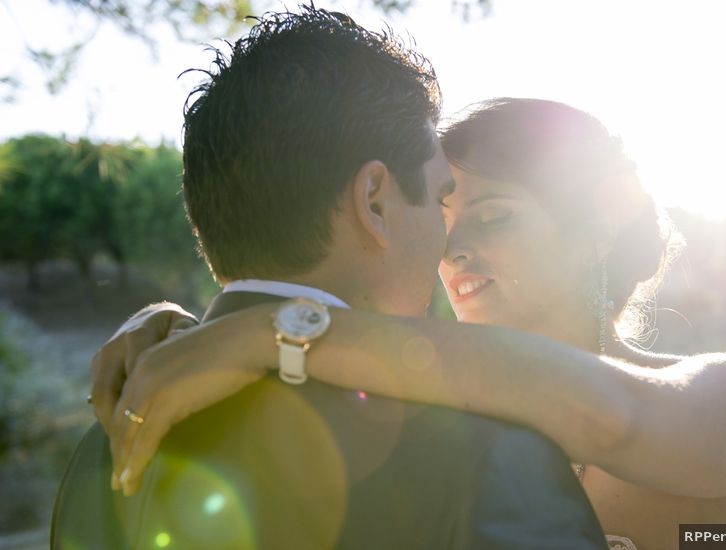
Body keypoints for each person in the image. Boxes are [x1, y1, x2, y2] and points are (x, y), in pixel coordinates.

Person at [90, 98, 726, 550]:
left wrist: (269, 326)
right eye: (444, 218)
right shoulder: (438, 412)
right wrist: (186, 326)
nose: (452, 252)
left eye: (494, 215)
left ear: (596, 222)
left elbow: (610, 414)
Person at [50, 8, 610, 550]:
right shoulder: (495, 456)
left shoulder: (106, 443)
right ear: (374, 202)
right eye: (440, 199)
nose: (449, 246)